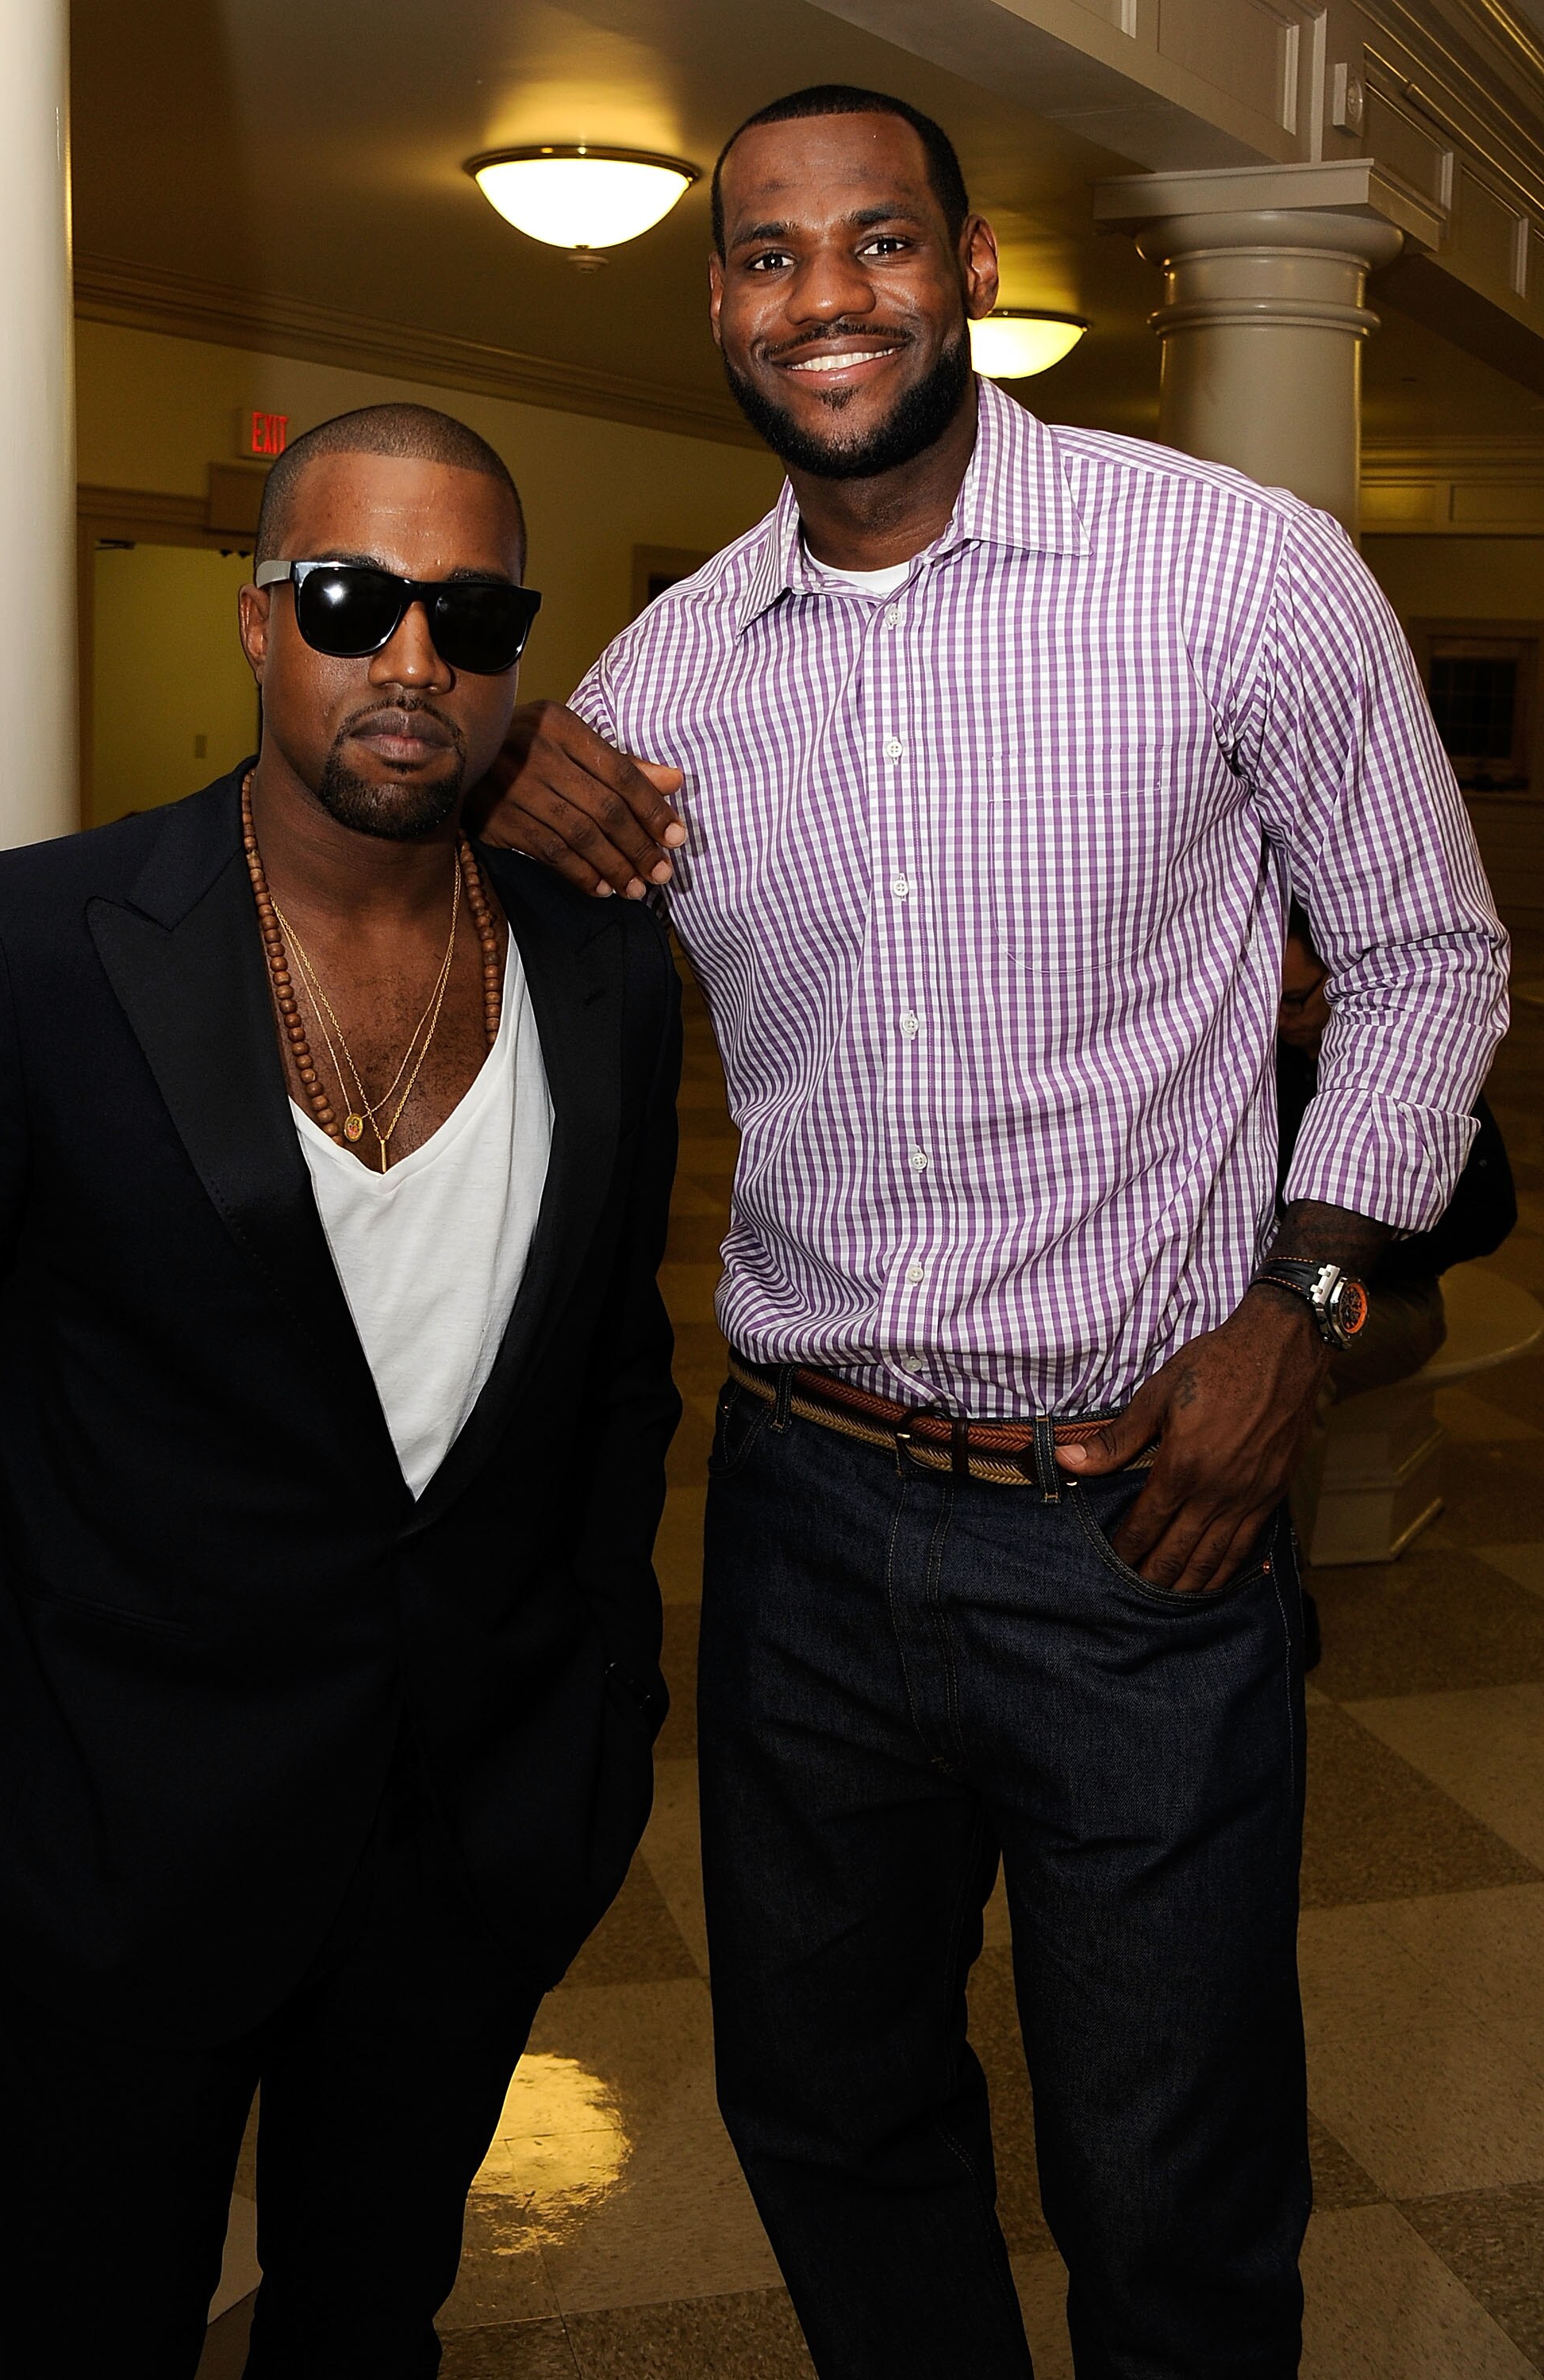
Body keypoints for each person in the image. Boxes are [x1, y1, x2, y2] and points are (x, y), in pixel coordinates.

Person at [476, 83, 1508, 2380]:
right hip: (800, 1519)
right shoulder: (665, 691)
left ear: (962, 263)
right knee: (826, 2114)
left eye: (873, 242)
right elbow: (461, 1006)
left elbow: (1433, 956)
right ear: (717, 303)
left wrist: (1304, 1304)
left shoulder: (1229, 567)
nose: (821, 295)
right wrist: (486, 768)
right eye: (764, 255)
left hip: (1135, 1513)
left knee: (1169, 2168)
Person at [0, 403, 682, 2380]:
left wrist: (603, 1717)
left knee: (367, 2327)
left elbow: (617, 1381)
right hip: (116, 1844)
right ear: (259, 623)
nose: (412, 659)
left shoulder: (607, 978)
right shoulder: (35, 947)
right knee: (90, 2334)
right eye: (354, 599)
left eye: (471, 611)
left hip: (469, 1838)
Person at [1279, 899, 1516, 1394]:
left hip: (1392, 1294)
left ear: (1340, 983)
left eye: (1296, 999)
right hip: (1282, 1288)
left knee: (1285, 1373)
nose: (1280, 1020)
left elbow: (1489, 1212)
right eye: (1267, 1002)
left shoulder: (1411, 1070)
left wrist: (1343, 1254)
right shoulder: (1273, 1061)